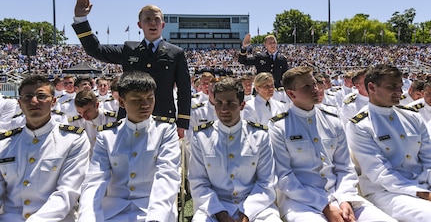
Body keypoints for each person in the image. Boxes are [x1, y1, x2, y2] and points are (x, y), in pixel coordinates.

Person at [268, 66, 396, 222]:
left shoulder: (333, 120)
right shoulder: (279, 126)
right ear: (291, 93)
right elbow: (285, 176)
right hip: (301, 202)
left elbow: (345, 167)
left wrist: (345, 199)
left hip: (340, 195)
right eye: (307, 86)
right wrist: (325, 205)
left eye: (314, 84)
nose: (315, 89)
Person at [72, 0, 191, 137]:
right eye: (147, 19)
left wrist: (182, 123)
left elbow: (184, 90)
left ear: (163, 24)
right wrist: (81, 19)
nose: (152, 23)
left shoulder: (175, 53)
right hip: (129, 119)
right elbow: (95, 50)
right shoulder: (129, 50)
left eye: (156, 19)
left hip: (163, 119)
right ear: (140, 25)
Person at [78, 71, 181, 222]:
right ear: (121, 102)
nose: (145, 105)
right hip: (113, 213)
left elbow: (167, 175)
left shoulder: (165, 131)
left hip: (152, 210)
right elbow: (95, 180)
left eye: (150, 98)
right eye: (137, 100)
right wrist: (87, 217)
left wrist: (155, 218)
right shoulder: (107, 136)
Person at [346, 64, 431, 222]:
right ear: (372, 87)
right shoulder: (360, 125)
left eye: (400, 86)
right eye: (392, 87)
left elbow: (428, 158)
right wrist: (422, 193)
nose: (399, 92)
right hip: (386, 193)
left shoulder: (412, 117)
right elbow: (380, 173)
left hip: (423, 185)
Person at [189, 77, 282, 222]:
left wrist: (246, 214)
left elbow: (266, 182)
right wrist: (221, 214)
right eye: (219, 103)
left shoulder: (260, 136)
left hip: (255, 207)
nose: (223, 109)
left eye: (230, 103)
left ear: (242, 105)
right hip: (215, 207)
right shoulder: (201, 137)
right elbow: (198, 182)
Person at [0, 75, 90, 221]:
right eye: (28, 97)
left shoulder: (73, 140)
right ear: (20, 103)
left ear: (53, 102)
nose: (34, 101)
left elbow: (67, 192)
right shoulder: (4, 144)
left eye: (41, 96)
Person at [70, 89, 117, 154]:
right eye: (79, 112)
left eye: (87, 111)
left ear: (97, 105)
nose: (83, 116)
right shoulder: (75, 123)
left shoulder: (112, 119)